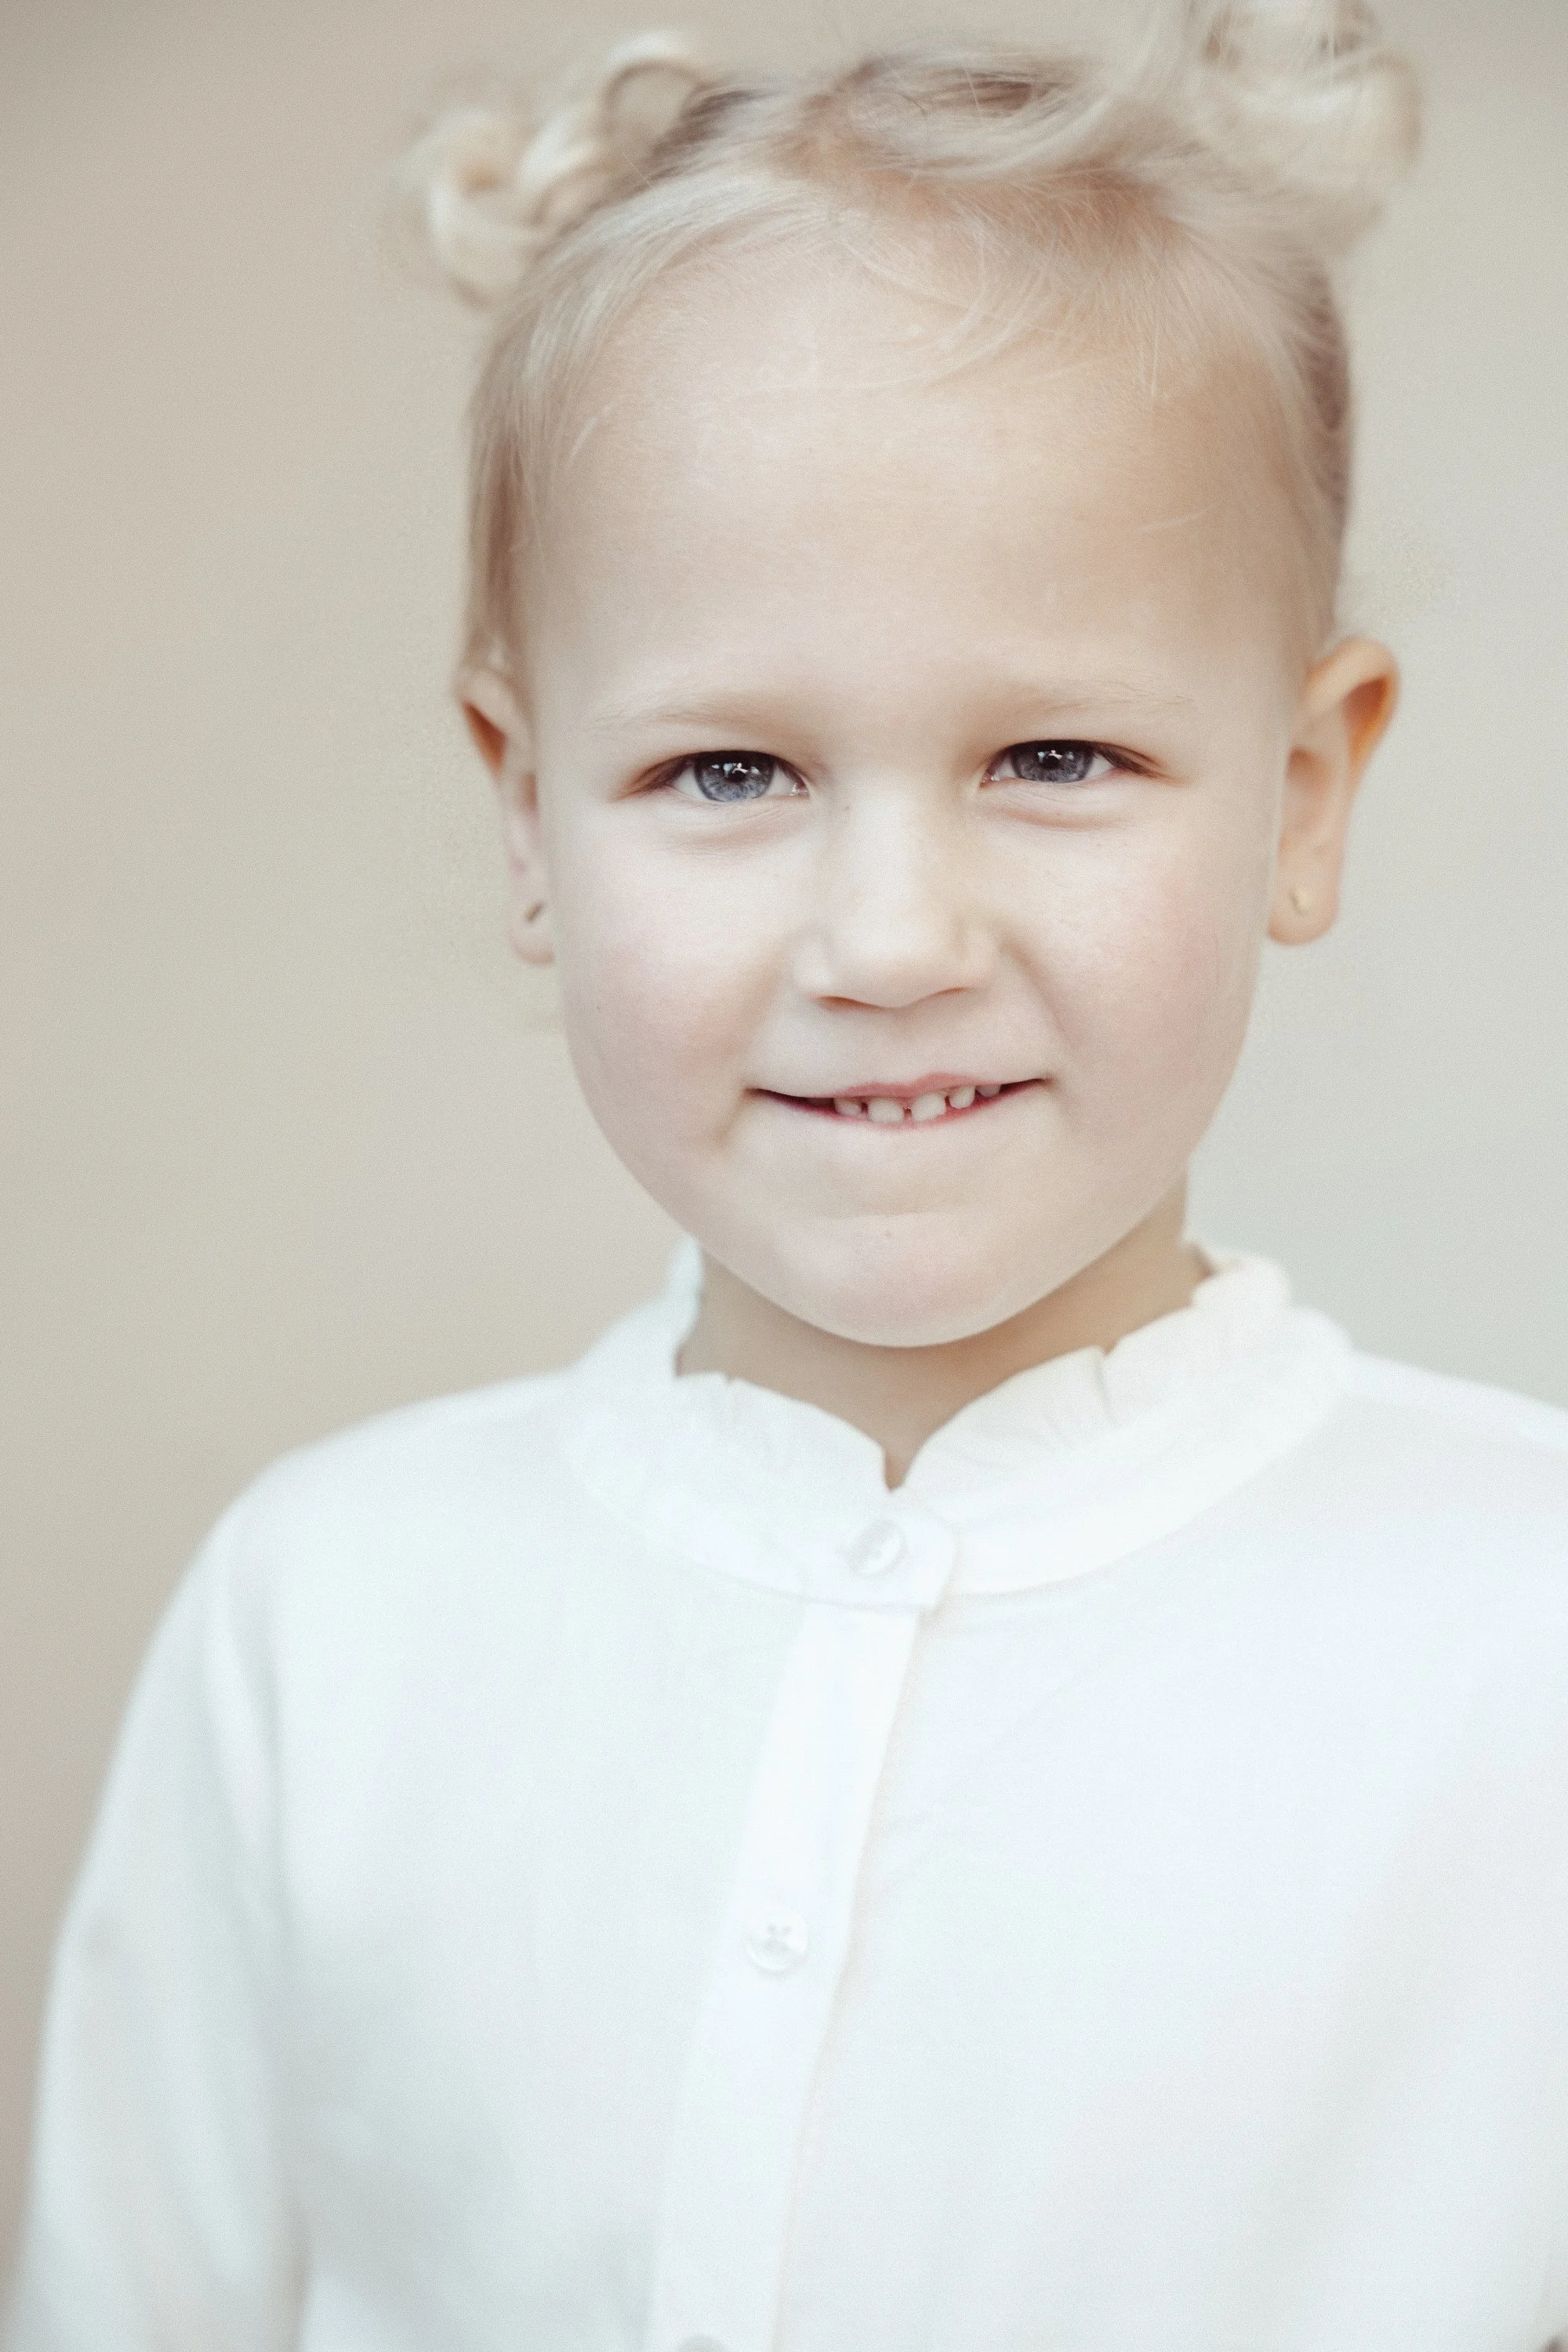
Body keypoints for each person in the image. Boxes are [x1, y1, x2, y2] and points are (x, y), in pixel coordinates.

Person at [8, 5, 1568, 2347]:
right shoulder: (321, 1624)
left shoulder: (1521, 1640)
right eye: (729, 774)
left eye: (1056, 756)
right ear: (526, 810)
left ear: (1306, 790)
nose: (892, 942)